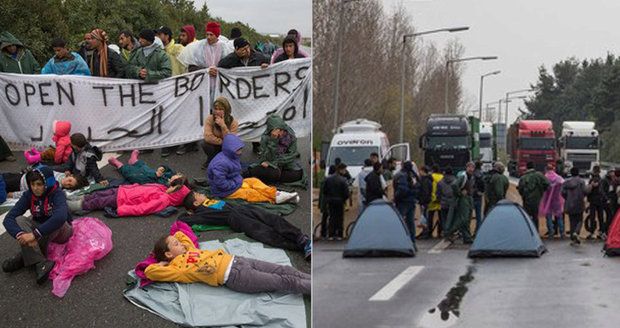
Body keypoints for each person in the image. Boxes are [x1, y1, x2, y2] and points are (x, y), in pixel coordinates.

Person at [144, 231, 310, 294]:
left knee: (284, 269)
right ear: (168, 254)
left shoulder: (189, 249)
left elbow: (180, 233)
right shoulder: (177, 269)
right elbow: (150, 272)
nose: (180, 243)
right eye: (175, 245)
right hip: (236, 276)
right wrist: (161, 264)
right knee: (285, 281)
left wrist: (176, 245)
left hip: (238, 260)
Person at [179, 192, 311, 260]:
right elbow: (183, 219)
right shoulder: (202, 211)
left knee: (272, 218)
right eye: (198, 195)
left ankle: (301, 238)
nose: (202, 193)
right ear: (196, 204)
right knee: (265, 233)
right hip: (236, 219)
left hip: (243, 209)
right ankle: (299, 246)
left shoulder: (211, 199)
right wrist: (190, 212)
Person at [2, 166, 72, 284]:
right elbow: (8, 219)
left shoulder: (57, 193)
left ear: (47, 183)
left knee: (55, 221)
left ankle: (24, 257)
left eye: (39, 184)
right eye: (32, 184)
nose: (35, 188)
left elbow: (60, 217)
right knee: (20, 219)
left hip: (62, 230)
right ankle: (40, 262)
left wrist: (34, 234)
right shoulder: (29, 195)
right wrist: (20, 235)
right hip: (40, 228)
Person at [174, 22, 230, 156]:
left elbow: (230, 66)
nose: (209, 37)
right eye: (207, 34)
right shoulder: (198, 47)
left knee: (217, 115)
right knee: (195, 114)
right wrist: (206, 71)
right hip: (200, 87)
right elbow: (191, 66)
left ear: (217, 35)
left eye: (211, 34)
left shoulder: (224, 48)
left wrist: (220, 71)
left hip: (218, 87)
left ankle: (219, 146)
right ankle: (190, 143)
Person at [207, 134, 298, 204]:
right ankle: (273, 199)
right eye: (238, 150)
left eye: (240, 149)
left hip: (234, 182)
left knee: (254, 181)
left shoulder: (231, 156)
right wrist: (236, 183)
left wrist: (237, 180)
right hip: (224, 191)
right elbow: (221, 184)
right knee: (250, 193)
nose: (241, 152)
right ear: (230, 149)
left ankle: (276, 194)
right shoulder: (220, 164)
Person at [67, 175, 191, 217]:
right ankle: (80, 198)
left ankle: (78, 205)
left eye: (173, 188)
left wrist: (122, 210)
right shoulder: (163, 189)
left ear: (175, 194)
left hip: (122, 200)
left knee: (99, 201)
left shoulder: (164, 200)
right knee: (98, 194)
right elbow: (143, 187)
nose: (170, 187)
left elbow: (143, 208)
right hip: (123, 191)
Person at [247, 115, 304, 184]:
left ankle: (265, 176)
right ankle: (267, 176)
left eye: (281, 130)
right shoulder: (265, 137)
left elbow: (291, 156)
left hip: (283, 163)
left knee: (298, 174)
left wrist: (273, 163)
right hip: (269, 163)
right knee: (262, 171)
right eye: (277, 130)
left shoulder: (290, 136)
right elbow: (265, 157)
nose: (280, 133)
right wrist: (273, 140)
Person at [3, 165, 88, 200]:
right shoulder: (62, 173)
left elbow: (34, 192)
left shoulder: (55, 187)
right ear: (71, 176)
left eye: (69, 186)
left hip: (19, 185)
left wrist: (13, 195)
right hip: (21, 176)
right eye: (69, 180)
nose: (67, 183)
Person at [200, 97, 239, 169]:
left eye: (221, 109)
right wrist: (222, 142)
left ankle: (225, 160)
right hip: (217, 143)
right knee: (204, 143)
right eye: (216, 109)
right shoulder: (210, 119)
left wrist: (223, 126)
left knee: (234, 149)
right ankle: (211, 159)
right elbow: (208, 137)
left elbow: (231, 141)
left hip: (227, 147)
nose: (217, 111)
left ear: (226, 110)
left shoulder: (233, 122)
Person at [107, 150, 175, 185]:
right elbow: (169, 170)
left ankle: (119, 165)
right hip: (151, 172)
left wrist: (156, 175)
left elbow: (155, 184)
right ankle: (134, 161)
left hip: (146, 180)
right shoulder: (172, 176)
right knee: (144, 166)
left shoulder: (165, 185)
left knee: (131, 173)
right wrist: (163, 168)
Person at [393, 161, 420, 247]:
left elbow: (402, 190)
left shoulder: (400, 175)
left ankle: (400, 241)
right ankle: (412, 242)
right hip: (411, 201)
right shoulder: (413, 175)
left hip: (402, 202)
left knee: (400, 221)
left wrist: (395, 198)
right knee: (410, 222)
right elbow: (418, 187)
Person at [517, 161, 549, 232]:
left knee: (527, 216)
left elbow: (520, 189)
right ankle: (536, 231)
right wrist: (541, 191)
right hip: (536, 199)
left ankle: (528, 231)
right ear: (533, 167)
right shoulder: (539, 175)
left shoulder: (523, 177)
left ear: (527, 167)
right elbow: (547, 184)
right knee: (535, 216)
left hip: (526, 200)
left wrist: (524, 195)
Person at [444, 172, 474, 244]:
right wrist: (460, 193)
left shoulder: (470, 177)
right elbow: (454, 185)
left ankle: (467, 237)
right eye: (470, 167)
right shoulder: (464, 177)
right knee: (464, 219)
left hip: (468, 198)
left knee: (466, 219)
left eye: (473, 167)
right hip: (464, 199)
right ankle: (450, 232)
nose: (471, 169)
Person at [323, 163, 350, 240]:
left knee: (332, 217)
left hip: (331, 201)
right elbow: (346, 193)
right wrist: (344, 200)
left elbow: (325, 191)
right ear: (340, 169)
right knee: (340, 218)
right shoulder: (343, 180)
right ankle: (339, 234)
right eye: (344, 170)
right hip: (340, 201)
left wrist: (328, 198)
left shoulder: (328, 179)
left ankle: (331, 234)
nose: (345, 171)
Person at [562, 167, 587, 244]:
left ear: (571, 173)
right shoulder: (581, 181)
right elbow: (585, 191)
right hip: (579, 203)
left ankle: (573, 238)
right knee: (580, 220)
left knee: (572, 221)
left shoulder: (566, 182)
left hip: (569, 204)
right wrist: (591, 186)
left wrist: (567, 199)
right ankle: (576, 232)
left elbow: (562, 193)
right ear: (578, 173)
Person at [539, 164, 565, 239]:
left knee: (549, 216)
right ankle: (562, 232)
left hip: (547, 200)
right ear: (553, 169)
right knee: (559, 216)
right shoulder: (558, 177)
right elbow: (563, 184)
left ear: (546, 169)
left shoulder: (545, 177)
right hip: (557, 199)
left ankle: (551, 232)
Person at [585, 166, 606, 239]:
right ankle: (602, 232)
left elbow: (588, 191)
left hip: (593, 200)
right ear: (599, 171)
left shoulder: (592, 180)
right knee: (601, 217)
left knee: (592, 217)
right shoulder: (601, 179)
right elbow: (602, 191)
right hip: (600, 200)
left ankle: (592, 232)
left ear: (593, 171)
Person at [436, 167, 456, 237]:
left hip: (443, 202)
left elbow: (438, 194)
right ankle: (451, 232)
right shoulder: (455, 181)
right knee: (452, 218)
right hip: (453, 203)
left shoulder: (440, 182)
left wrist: (439, 200)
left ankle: (445, 232)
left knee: (444, 219)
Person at [426, 164, 444, 238]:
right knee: (441, 217)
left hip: (432, 199)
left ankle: (429, 232)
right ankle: (439, 232)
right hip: (440, 199)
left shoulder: (430, 176)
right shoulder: (442, 177)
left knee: (430, 217)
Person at [601, 169, 618, 240]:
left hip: (613, 201)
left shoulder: (613, 180)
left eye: (613, 172)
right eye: (611, 172)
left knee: (612, 217)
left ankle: (607, 231)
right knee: (610, 217)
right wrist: (607, 199)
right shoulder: (605, 180)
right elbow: (603, 191)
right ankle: (604, 231)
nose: (613, 173)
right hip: (608, 201)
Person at [417, 166, 433, 239]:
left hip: (424, 201)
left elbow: (425, 192)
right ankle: (425, 232)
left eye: (420, 171)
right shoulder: (428, 180)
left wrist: (422, 201)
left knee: (425, 217)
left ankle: (425, 232)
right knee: (424, 217)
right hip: (426, 201)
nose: (419, 172)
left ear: (423, 171)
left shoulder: (425, 180)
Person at [470, 161, 485, 234]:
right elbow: (484, 184)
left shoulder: (472, 174)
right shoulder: (482, 174)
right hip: (479, 196)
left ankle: (468, 231)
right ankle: (478, 231)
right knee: (479, 215)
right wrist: (481, 192)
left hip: (472, 195)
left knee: (469, 214)